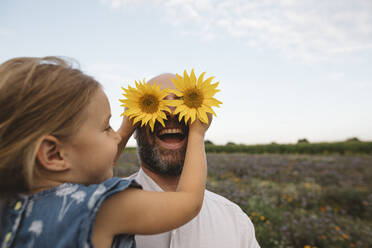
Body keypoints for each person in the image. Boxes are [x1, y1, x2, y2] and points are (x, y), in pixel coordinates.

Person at [0, 57, 211, 248]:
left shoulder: (10, 206)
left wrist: (128, 127)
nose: (118, 136)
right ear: (54, 155)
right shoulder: (101, 207)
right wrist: (197, 133)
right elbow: (189, 202)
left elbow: (90, 168)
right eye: (106, 127)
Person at [129, 73, 260, 248]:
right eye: (154, 102)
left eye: (182, 101)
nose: (171, 111)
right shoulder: (103, 206)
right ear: (134, 129)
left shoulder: (234, 221)